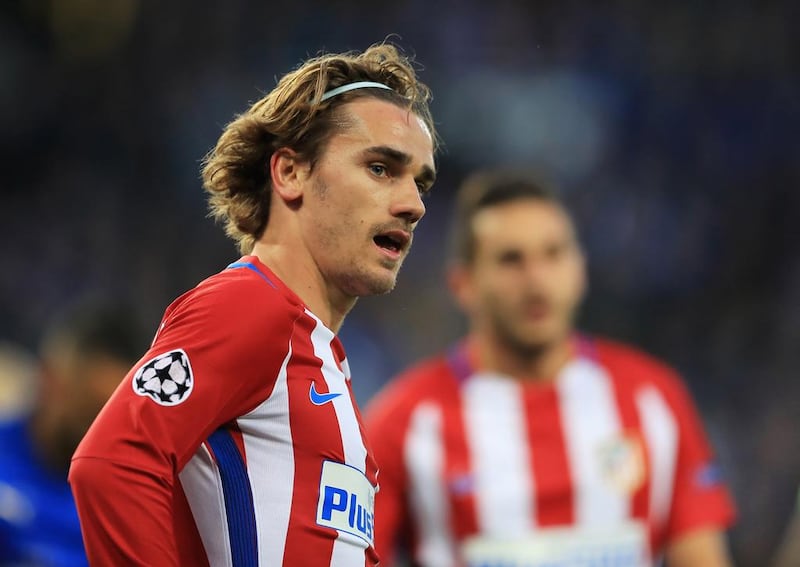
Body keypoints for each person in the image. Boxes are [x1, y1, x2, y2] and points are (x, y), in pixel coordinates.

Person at [68, 42, 438, 566]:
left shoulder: (324, 364)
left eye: (420, 182)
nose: (414, 204)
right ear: (290, 173)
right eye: (381, 168)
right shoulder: (248, 306)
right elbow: (113, 463)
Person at [364, 169, 736, 567]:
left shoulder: (653, 398)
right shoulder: (404, 423)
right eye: (511, 260)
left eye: (553, 254)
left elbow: (701, 554)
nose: (537, 281)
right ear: (464, 284)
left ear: (580, 270)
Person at [0, 300, 146, 566]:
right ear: (49, 379)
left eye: (111, 419)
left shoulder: (132, 509)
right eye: (86, 410)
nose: (94, 433)